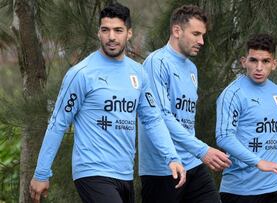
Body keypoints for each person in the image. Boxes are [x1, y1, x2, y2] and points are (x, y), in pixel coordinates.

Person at [29, 3, 186, 203]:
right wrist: (42, 172)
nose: (111, 36)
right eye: (106, 30)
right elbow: (58, 122)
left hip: (125, 174)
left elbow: (153, 119)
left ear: (129, 33)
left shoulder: (138, 73)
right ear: (98, 33)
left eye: (118, 30)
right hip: (92, 171)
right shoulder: (81, 73)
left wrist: (171, 157)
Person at [138, 4, 231, 203]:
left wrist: (196, 152)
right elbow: (161, 117)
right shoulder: (156, 63)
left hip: (192, 164)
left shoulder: (191, 69)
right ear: (177, 30)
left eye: (203, 35)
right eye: (196, 34)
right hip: (163, 169)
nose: (201, 41)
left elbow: (185, 120)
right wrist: (202, 150)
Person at [215, 33, 277, 203]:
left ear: (274, 64)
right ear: (244, 62)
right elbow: (224, 137)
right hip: (240, 191)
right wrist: (258, 162)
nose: (259, 67)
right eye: (253, 60)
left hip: (274, 187)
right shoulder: (232, 94)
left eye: (265, 61)